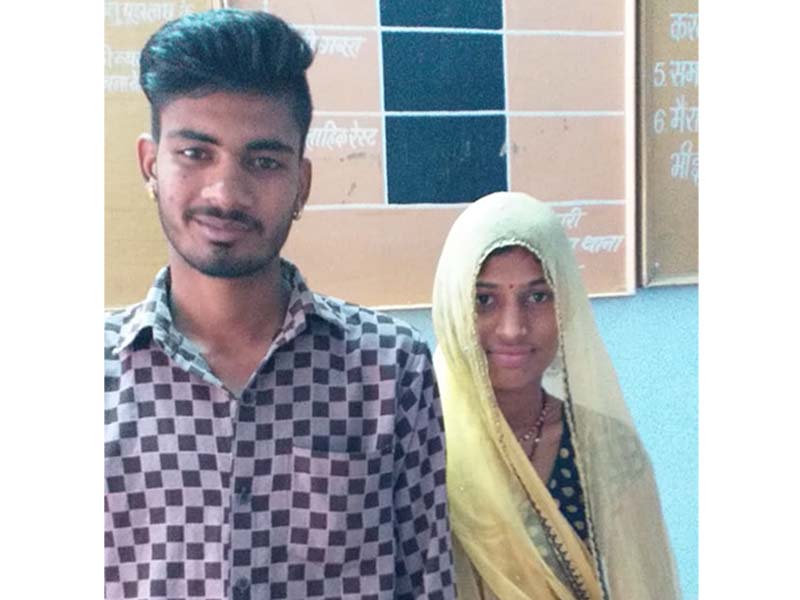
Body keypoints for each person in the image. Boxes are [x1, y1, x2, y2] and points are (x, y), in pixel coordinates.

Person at [104, 9, 455, 600]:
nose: (226, 193)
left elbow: (428, 583)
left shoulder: (391, 371)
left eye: (264, 161)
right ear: (150, 164)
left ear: (302, 184)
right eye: (195, 153)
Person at [431, 192, 681, 599]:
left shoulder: (608, 452)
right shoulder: (416, 448)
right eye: (483, 300)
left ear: (565, 303)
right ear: (452, 307)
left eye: (537, 297)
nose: (512, 328)